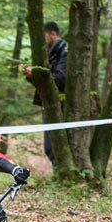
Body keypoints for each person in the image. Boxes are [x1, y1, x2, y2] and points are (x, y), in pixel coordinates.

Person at [19, 21, 68, 166]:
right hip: (48, 102)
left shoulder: (64, 52)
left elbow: (60, 79)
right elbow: (45, 82)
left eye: (44, 35)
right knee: (49, 147)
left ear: (53, 34)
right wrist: (31, 76)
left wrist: (35, 74)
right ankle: (59, 172)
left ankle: (61, 172)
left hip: (60, 104)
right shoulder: (48, 52)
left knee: (55, 146)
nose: (42, 40)